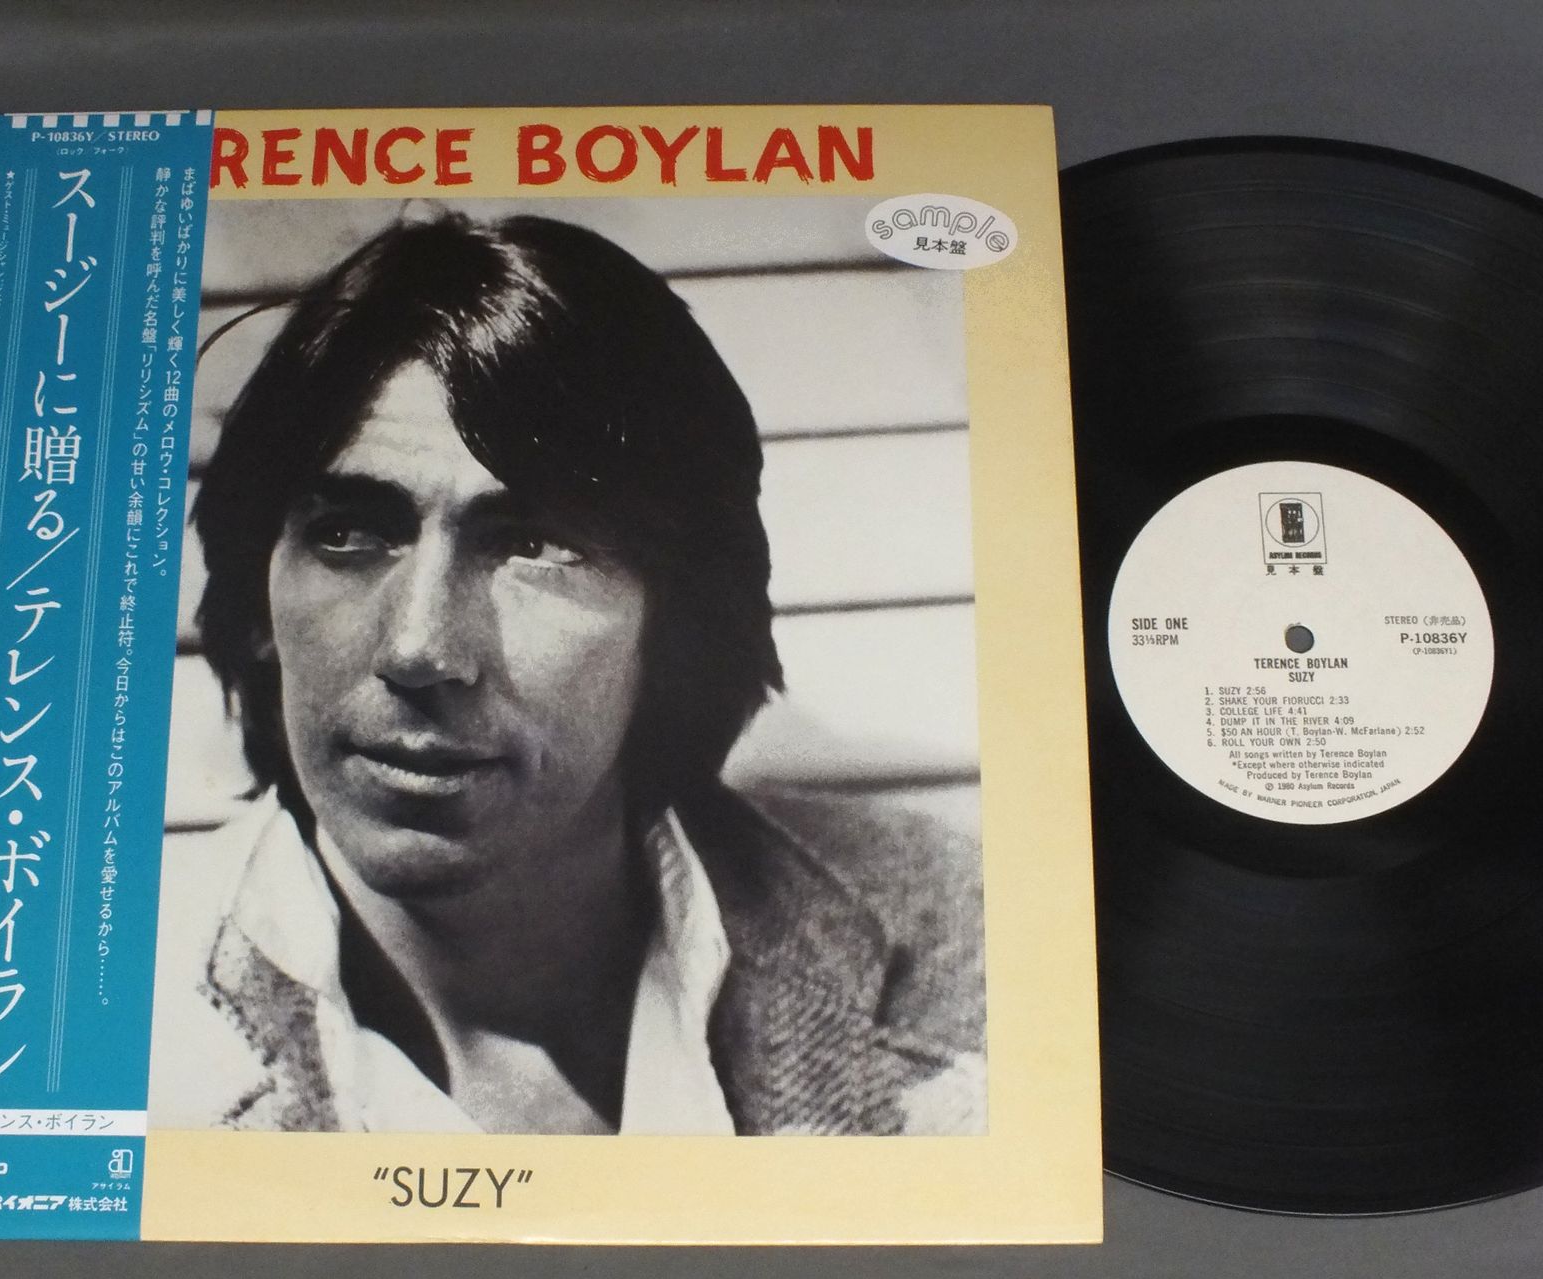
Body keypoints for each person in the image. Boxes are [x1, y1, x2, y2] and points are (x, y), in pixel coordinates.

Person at [149, 211, 986, 1136]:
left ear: (675, 623)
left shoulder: (968, 935)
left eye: (536, 545)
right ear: (258, 601)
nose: (419, 648)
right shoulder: (103, 1030)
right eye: (347, 533)